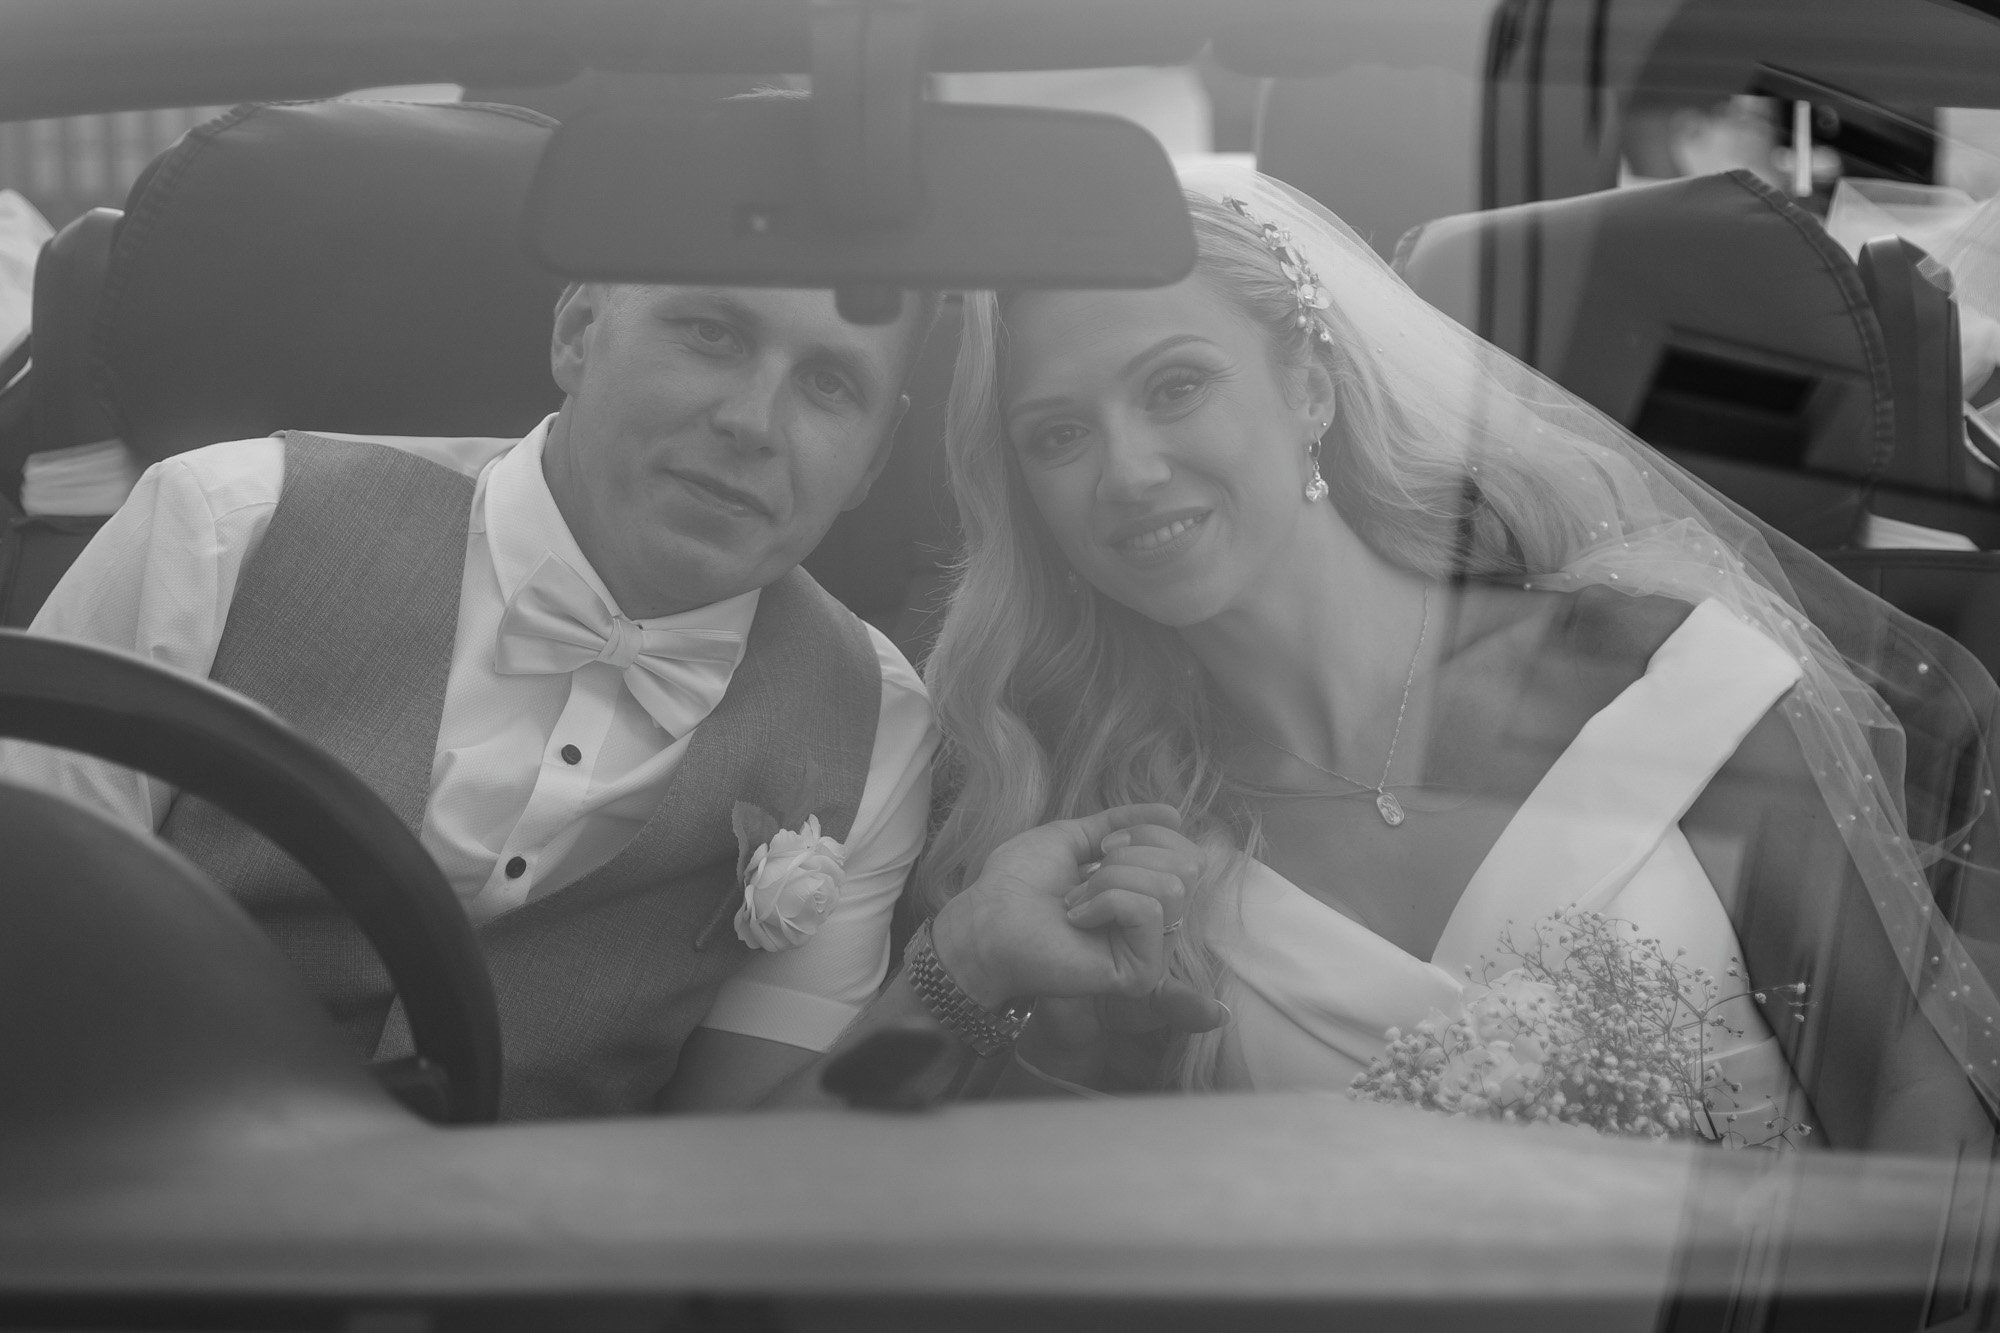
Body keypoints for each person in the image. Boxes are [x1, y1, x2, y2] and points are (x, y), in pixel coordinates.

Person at [919, 163, 2000, 1151]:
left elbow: (1915, 1117)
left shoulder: (1655, 679)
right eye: (1057, 434)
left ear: (1309, 387)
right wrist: (976, 978)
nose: (1128, 469)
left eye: (1173, 386)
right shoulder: (1107, 837)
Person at [3, 277, 1213, 1118]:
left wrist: (970, 958)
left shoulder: (875, 720)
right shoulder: (225, 527)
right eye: (710, 333)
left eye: (829, 385)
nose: (750, 422)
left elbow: (750, 1171)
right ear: (578, 331)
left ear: (871, 463)